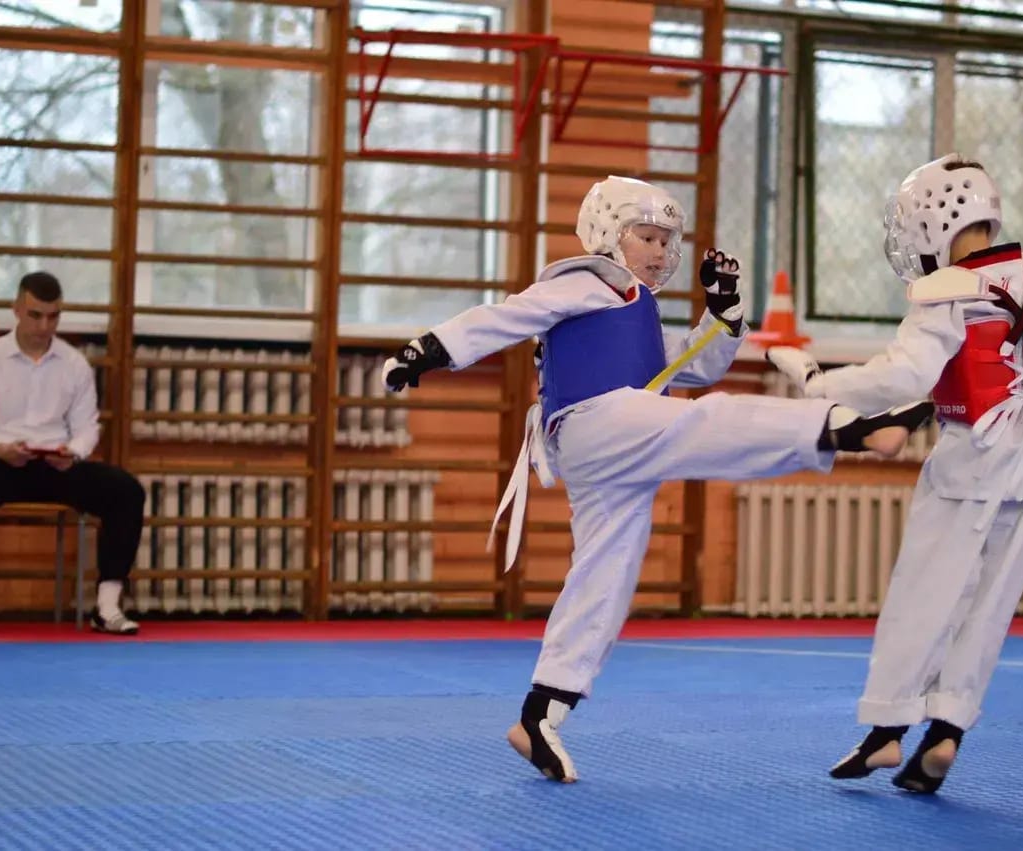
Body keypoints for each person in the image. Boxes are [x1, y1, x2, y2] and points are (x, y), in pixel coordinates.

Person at [382, 175, 936, 782]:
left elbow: (692, 366)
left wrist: (722, 311)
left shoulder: (635, 309)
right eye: (645, 237)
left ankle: (541, 713)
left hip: (610, 448)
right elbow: (509, 314)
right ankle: (849, 428)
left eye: (667, 241)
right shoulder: (586, 281)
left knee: (606, 572)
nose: (659, 251)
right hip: (598, 422)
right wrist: (430, 349)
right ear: (606, 234)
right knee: (707, 423)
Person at [767, 154, 1023, 794]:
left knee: (925, 594)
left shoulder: (948, 293)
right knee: (989, 607)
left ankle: (887, 731)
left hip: (970, 463)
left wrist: (823, 384)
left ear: (934, 220)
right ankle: (947, 731)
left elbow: (903, 377)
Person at [0, 271, 146, 635]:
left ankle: (107, 607)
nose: (44, 326)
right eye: (35, 315)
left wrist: (72, 453)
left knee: (126, 491)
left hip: (56, 465)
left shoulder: (74, 364)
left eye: (53, 316)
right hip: (2, 462)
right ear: (16, 310)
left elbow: (87, 426)